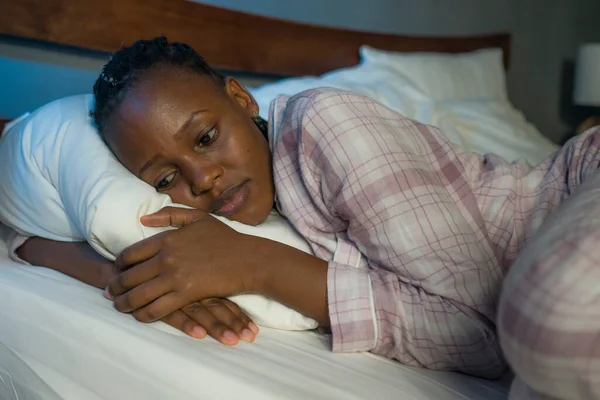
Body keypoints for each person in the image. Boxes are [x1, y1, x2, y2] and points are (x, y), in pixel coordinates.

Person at [11, 36, 600, 381]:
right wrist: (53, 252)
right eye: (167, 178)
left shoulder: (323, 124)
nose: (204, 177)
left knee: (553, 335)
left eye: (207, 137)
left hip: (575, 187)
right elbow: (60, 237)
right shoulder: (259, 202)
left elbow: (485, 334)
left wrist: (260, 266)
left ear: (241, 99)